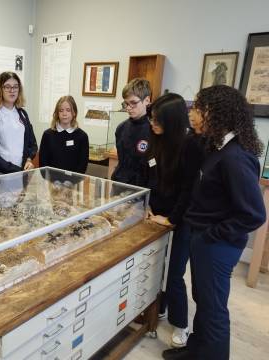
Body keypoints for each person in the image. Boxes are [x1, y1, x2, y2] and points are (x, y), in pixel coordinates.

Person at [162, 85, 266, 360]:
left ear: (215, 113)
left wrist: (212, 234)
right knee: (204, 301)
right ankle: (196, 350)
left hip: (216, 244)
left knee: (214, 309)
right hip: (205, 238)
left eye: (198, 108)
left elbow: (254, 214)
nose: (192, 114)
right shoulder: (218, 147)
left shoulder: (235, 157)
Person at [143, 93, 204, 348]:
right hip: (155, 214)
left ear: (171, 120)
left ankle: (181, 324)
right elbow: (151, 175)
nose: (152, 124)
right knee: (157, 266)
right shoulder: (155, 139)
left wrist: (171, 219)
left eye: (157, 120)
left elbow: (189, 190)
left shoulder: (190, 145)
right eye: (151, 119)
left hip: (180, 218)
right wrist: (147, 206)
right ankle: (160, 307)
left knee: (174, 274)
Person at [0, 71, 37, 173]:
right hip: (0, 173)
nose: (12, 91)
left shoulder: (23, 114)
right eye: (7, 87)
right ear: (0, 89)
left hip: (21, 171)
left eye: (15, 87)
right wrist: (12, 169)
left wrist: (29, 160)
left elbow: (32, 143)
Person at [111, 78, 151, 186]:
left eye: (133, 103)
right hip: (119, 183)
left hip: (141, 187)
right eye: (126, 104)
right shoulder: (121, 128)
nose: (128, 108)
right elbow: (122, 160)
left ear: (146, 100)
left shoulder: (153, 130)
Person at [39, 95, 89, 173]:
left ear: (74, 113)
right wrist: (50, 182)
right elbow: (43, 163)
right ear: (57, 113)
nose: (64, 113)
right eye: (61, 110)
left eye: (68, 110)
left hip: (73, 183)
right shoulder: (47, 135)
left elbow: (82, 165)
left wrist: (72, 182)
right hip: (51, 182)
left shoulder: (82, 136)